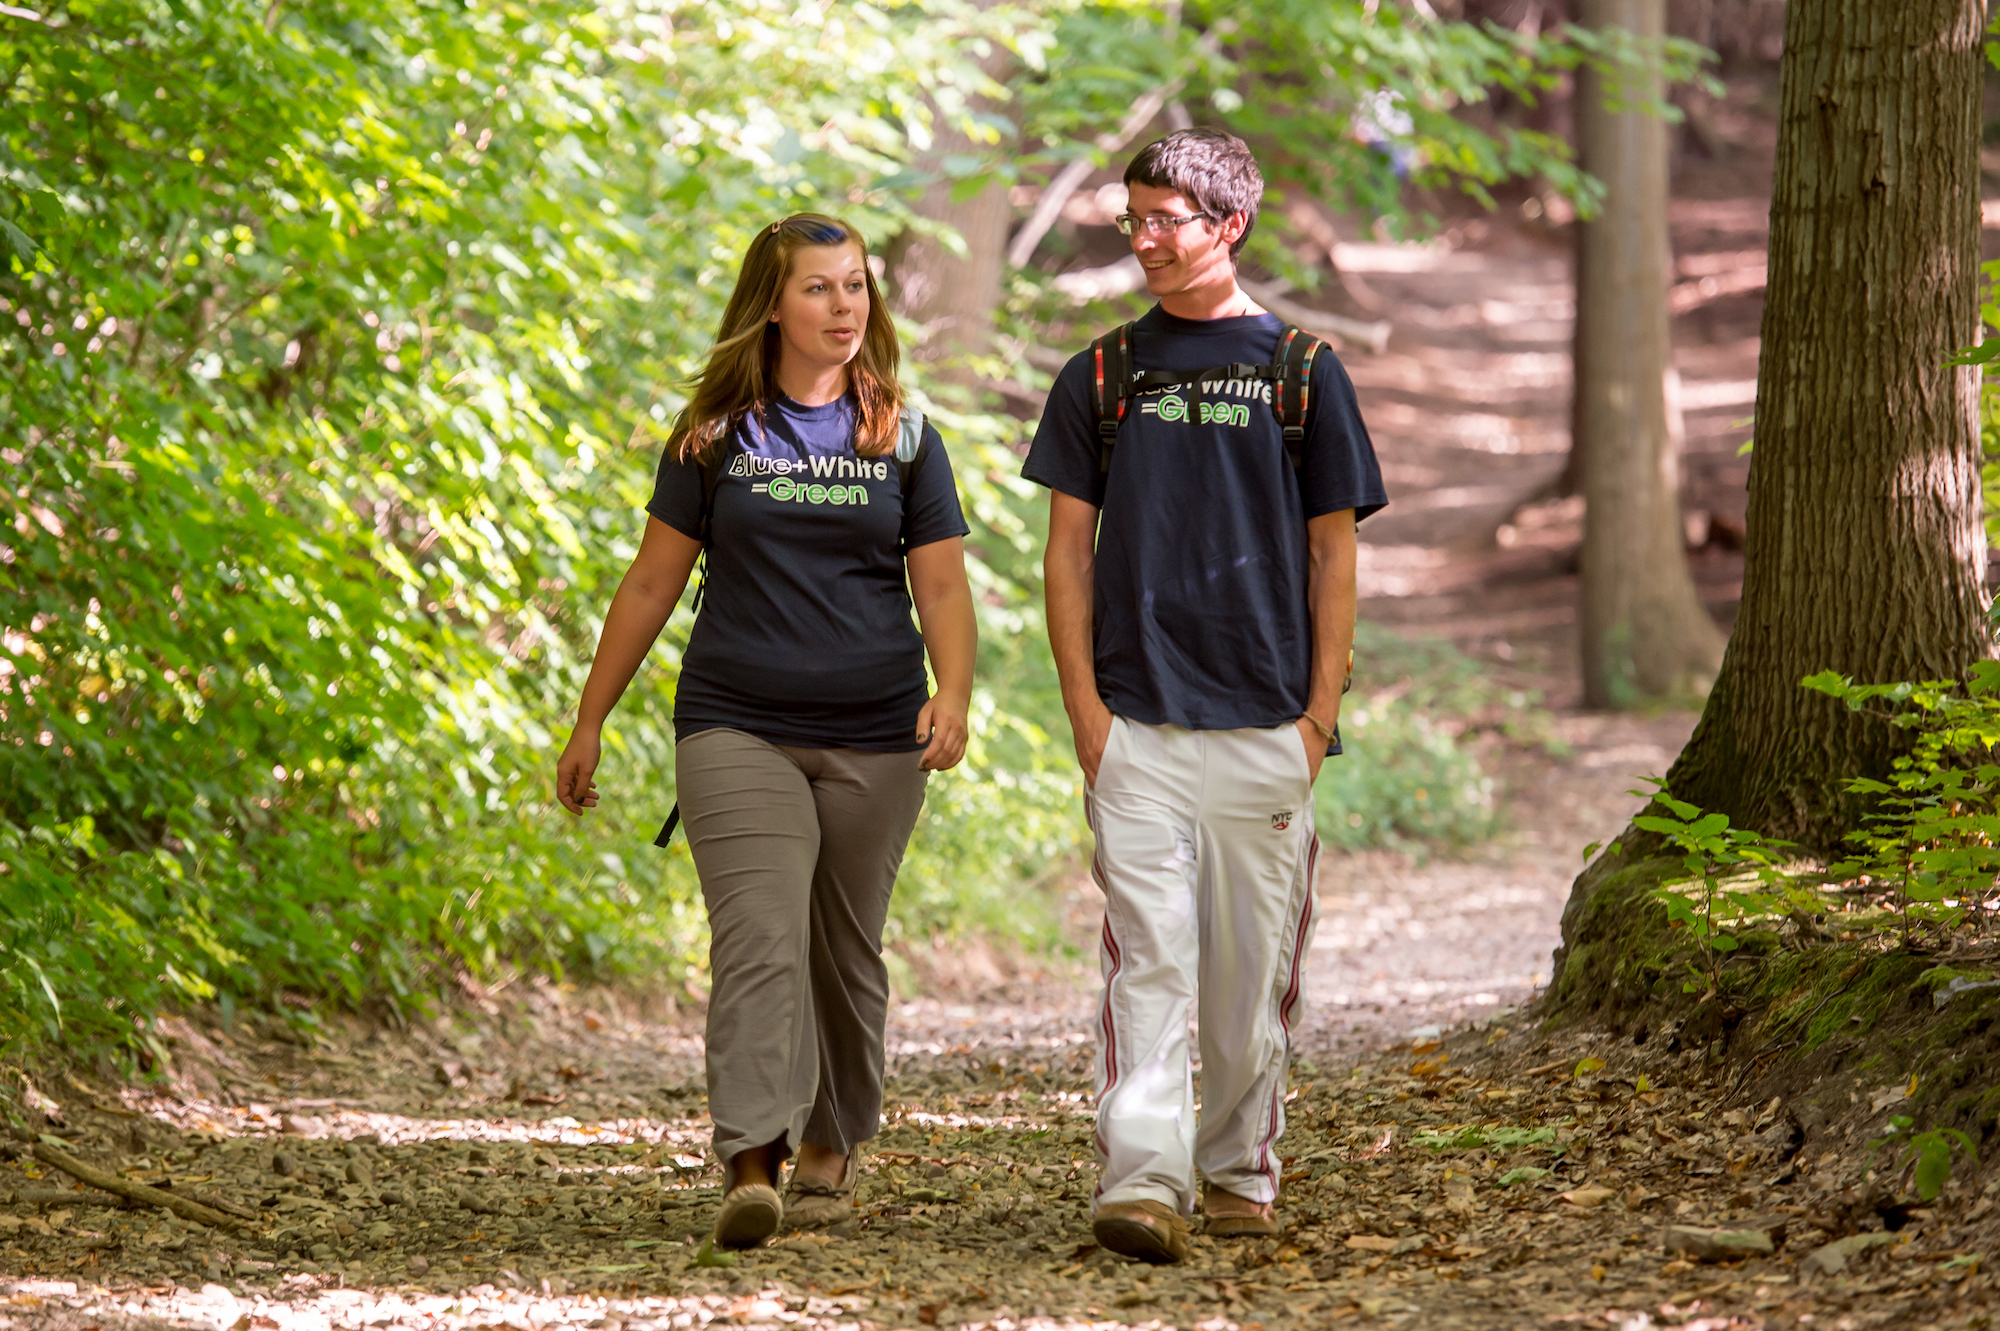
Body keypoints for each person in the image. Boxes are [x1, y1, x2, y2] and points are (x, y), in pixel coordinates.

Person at [555, 213, 977, 1249]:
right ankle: (751, 1153)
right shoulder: (713, 438)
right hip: (733, 720)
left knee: (842, 944)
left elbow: (940, 581)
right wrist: (589, 717)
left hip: (878, 730)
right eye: (819, 289)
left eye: (855, 288)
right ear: (772, 305)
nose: (844, 308)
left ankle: (835, 1125)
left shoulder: (903, 435)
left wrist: (952, 690)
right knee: (756, 933)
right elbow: (653, 579)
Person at [1023, 129, 1387, 1264]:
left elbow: (1336, 556)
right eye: (1131, 220)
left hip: (1266, 727)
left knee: (1244, 981)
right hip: (1136, 726)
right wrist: (1086, 713)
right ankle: (1142, 1176)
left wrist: (1315, 719)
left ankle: (1235, 1168)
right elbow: (1064, 554)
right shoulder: (1100, 373)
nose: (1142, 241)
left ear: (1227, 225)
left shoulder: (1302, 371)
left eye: (1163, 220)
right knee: (1151, 963)